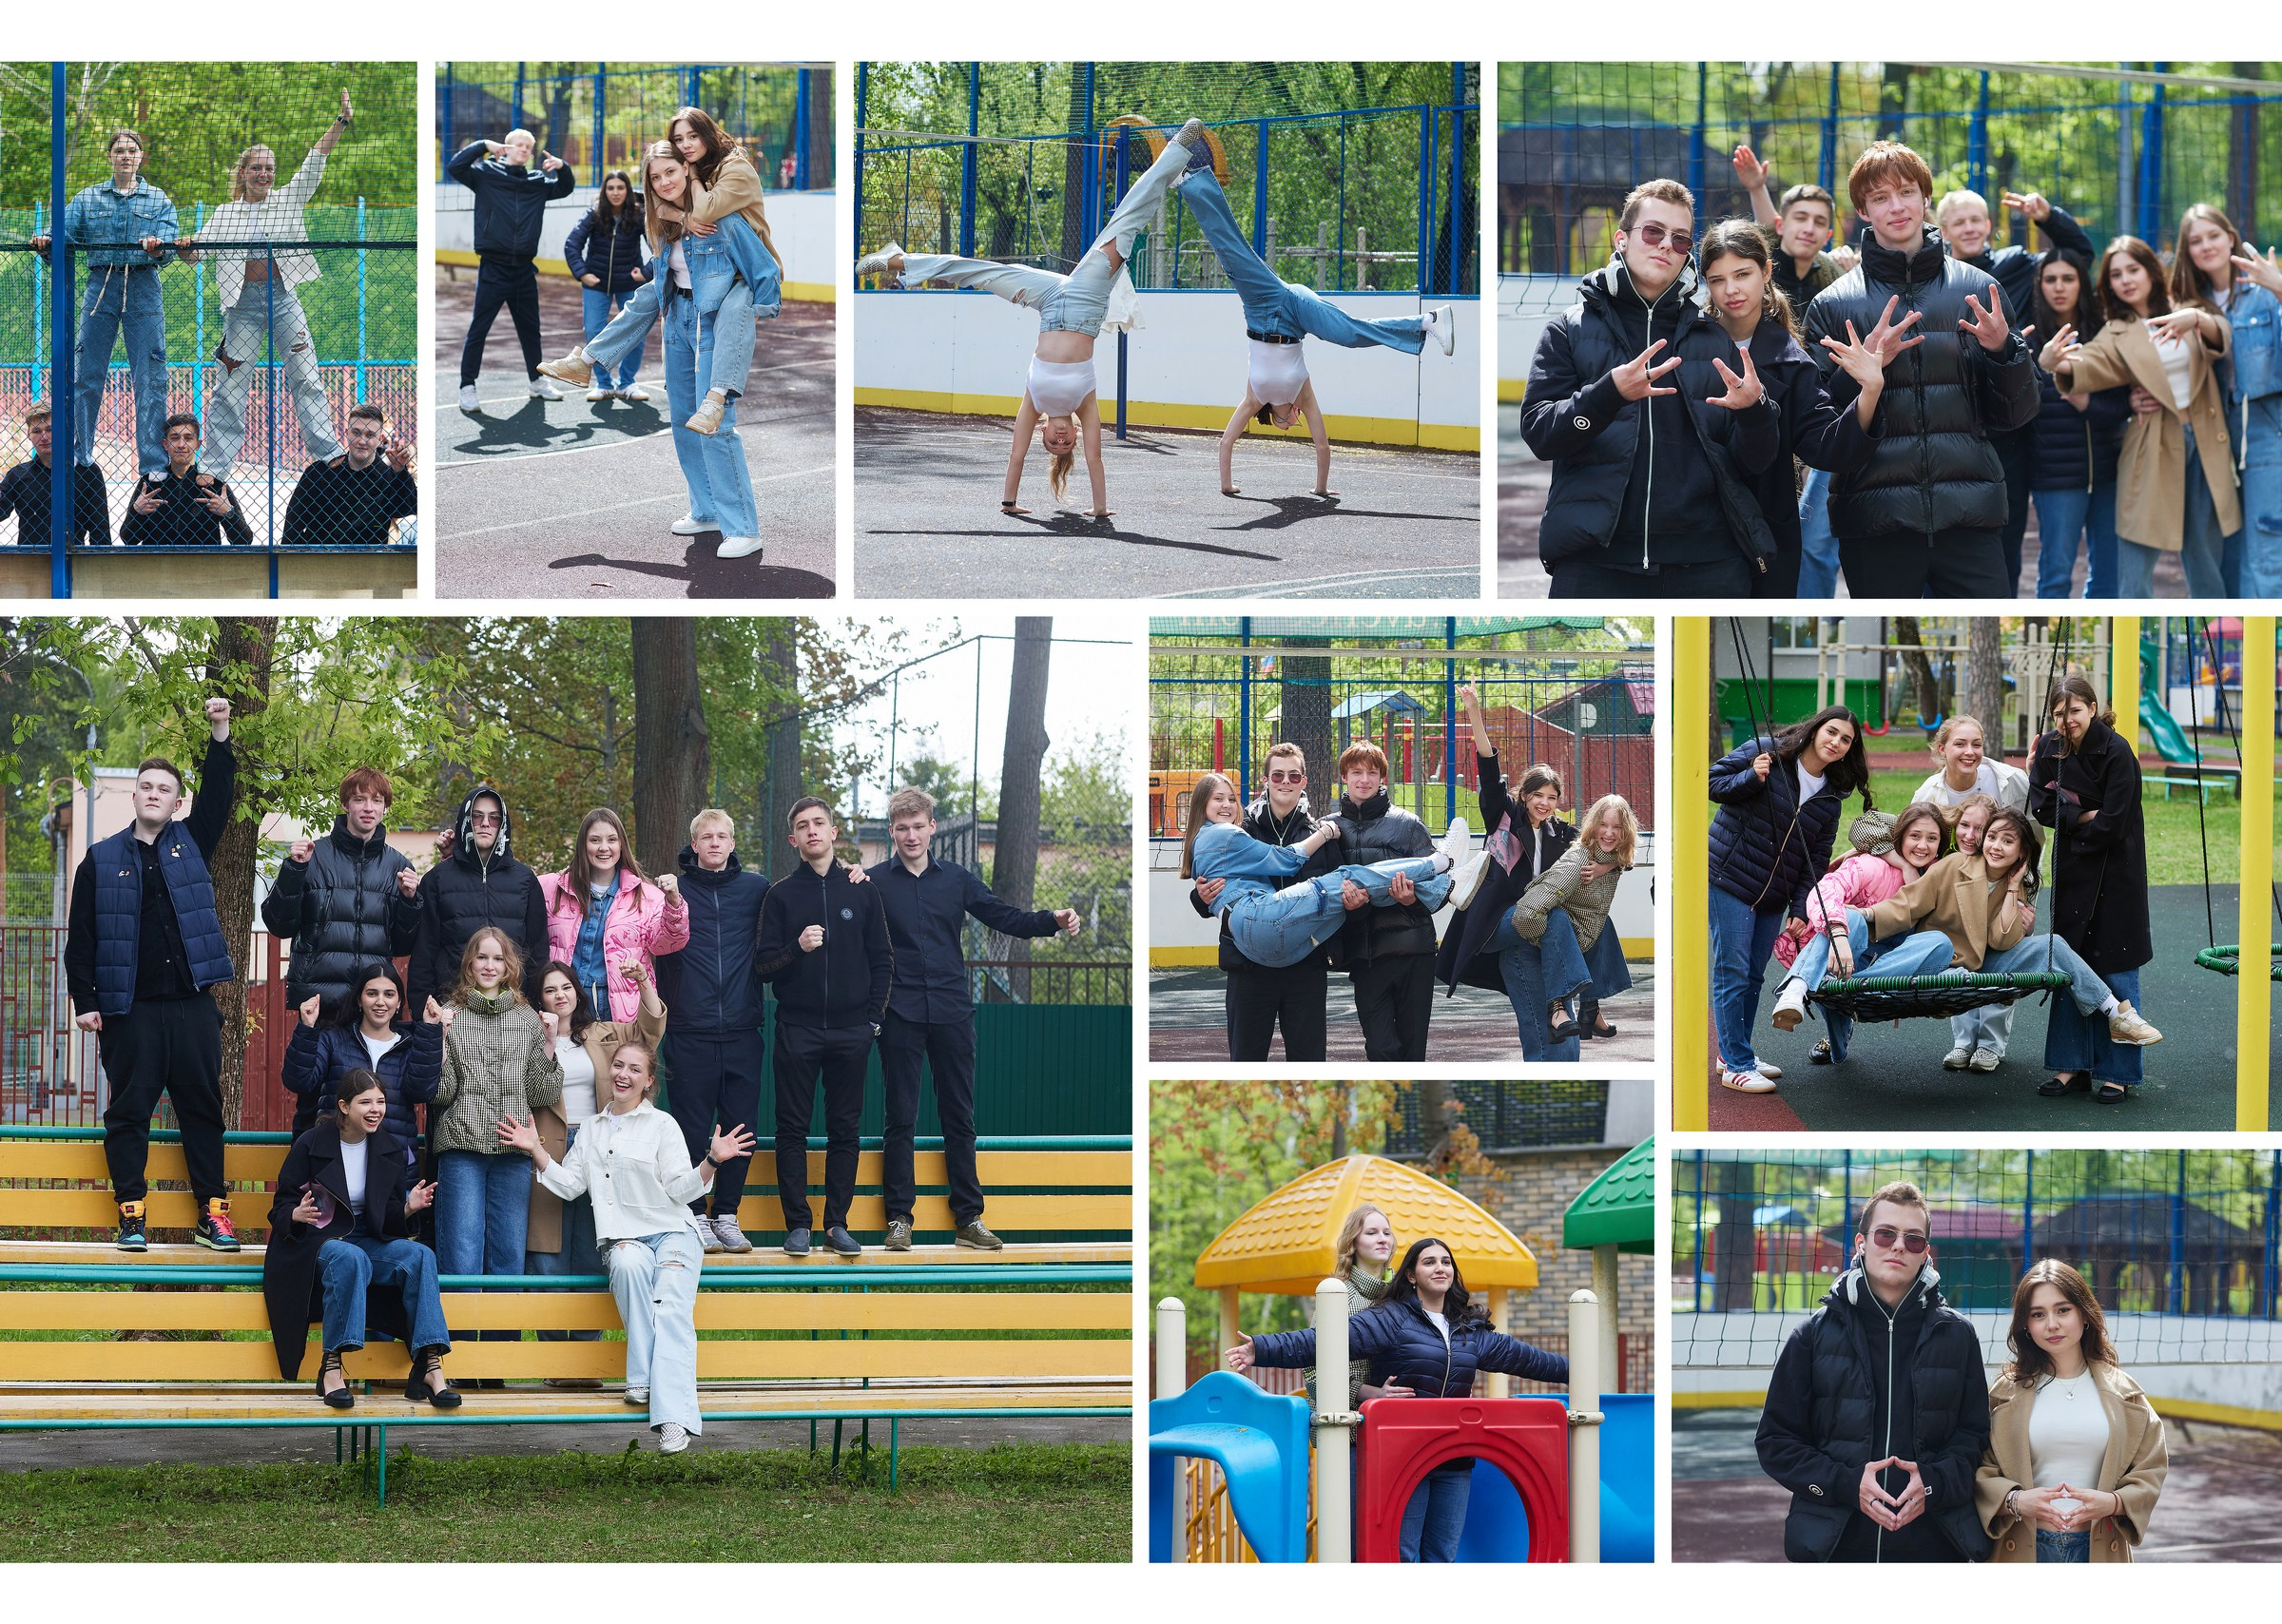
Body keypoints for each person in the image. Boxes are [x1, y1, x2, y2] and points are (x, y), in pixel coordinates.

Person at [853, 117, 1209, 520]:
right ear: (1073, 434)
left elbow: (1016, 454)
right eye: (1065, 443)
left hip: (1050, 301)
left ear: (1043, 433)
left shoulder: (1034, 400)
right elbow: (1095, 457)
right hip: (1087, 300)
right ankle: (1177, 150)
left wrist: (1008, 503)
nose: (1059, 439)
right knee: (1127, 220)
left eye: (1052, 443)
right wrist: (1100, 509)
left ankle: (898, 261)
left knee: (982, 272)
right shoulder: (1084, 403)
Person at [1227, 1237, 1568, 1562]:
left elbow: (1530, 1360)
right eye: (1429, 1262)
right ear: (1411, 1274)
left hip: (1454, 1461)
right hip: (1406, 1457)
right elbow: (1326, 1340)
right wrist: (1262, 1348)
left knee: (1442, 1557)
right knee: (1400, 1555)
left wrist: (1577, 1370)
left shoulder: (1470, 1331)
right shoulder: (1392, 1319)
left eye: (1446, 1262)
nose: (1440, 1268)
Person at [1521, 178, 1783, 596]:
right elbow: (1540, 434)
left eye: (1680, 240)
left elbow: (1752, 464)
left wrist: (1755, 414)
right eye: (1653, 232)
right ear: (1622, 239)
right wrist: (1608, 394)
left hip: (1707, 563)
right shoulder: (1568, 330)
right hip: (1595, 560)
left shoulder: (1713, 338)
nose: (1666, 245)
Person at [1801, 142, 2040, 596]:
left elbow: (2017, 415)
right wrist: (1863, 373)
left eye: (1906, 192)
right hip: (1875, 524)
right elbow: (1821, 439)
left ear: (1926, 197)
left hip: (1970, 517)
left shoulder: (1979, 289)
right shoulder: (1831, 305)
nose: (1897, 207)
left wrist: (2001, 353)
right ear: (1863, 211)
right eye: (1880, 198)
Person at [500, 1039, 754, 1455]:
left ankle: (669, 1416)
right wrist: (537, 1151)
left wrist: (711, 1161)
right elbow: (571, 1186)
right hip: (623, 1241)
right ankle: (641, 1379)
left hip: (673, 1233)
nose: (623, 1074)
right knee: (629, 1266)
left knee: (671, 1309)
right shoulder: (592, 1131)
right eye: (618, 1065)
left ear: (648, 1081)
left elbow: (678, 1188)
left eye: (635, 1070)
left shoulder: (662, 1125)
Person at [1770, 806, 2161, 1072]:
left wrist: (2010, 892)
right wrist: (1866, 916)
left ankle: (2115, 1013)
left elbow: (2001, 941)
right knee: (1927, 938)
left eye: (2007, 842)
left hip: (1978, 967)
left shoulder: (2016, 886)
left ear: (2021, 852)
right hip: (1933, 957)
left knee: (2052, 945)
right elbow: (1905, 907)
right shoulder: (1955, 865)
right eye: (1992, 837)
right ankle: (1836, 988)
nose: (1995, 846)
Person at [866, 786, 1079, 1251]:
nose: (910, 835)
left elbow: (1005, 917)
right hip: (898, 1011)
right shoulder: (873, 882)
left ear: (932, 828)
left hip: (951, 1010)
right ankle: (899, 1219)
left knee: (958, 1116)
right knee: (899, 1117)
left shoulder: (958, 880)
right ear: (892, 832)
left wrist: (1053, 919)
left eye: (918, 826)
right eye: (901, 828)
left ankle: (968, 1218)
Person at [543, 142, 778, 561]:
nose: (664, 181)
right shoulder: (662, 224)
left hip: (714, 321)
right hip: (677, 320)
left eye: (671, 171)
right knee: (682, 421)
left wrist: (743, 318)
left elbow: (765, 272)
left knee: (716, 426)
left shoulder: (720, 218)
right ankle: (706, 510)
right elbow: (661, 282)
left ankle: (743, 526)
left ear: (687, 171)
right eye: (655, 177)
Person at [62, 697, 240, 1251]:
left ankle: (213, 1215)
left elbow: (217, 797)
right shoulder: (99, 858)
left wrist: (219, 731)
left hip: (191, 1004)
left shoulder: (193, 842)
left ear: (176, 800)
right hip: (129, 1008)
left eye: (165, 789)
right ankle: (131, 1214)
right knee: (129, 1112)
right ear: (134, 796)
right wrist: (85, 999)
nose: (155, 794)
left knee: (203, 1111)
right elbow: (82, 939)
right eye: (147, 787)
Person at [1165, 163, 1453, 498]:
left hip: (1263, 306)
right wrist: (1321, 490)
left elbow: (1226, 441)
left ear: (1276, 416)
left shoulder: (1255, 397)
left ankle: (1187, 180)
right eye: (1294, 424)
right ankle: (1428, 320)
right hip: (1292, 312)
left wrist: (1226, 485)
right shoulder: (1302, 395)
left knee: (1229, 253)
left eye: (1285, 425)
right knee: (1350, 335)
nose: (1292, 424)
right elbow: (1323, 445)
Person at [1755, 1181, 1993, 1562]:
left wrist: (1932, 1484)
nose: (1899, 1245)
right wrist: (1847, 1485)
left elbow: (1974, 1439)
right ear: (1861, 1243)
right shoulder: (1812, 1337)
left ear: (1925, 1254)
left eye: (1913, 1239)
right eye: (1886, 1234)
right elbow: (1776, 1442)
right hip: (1834, 1547)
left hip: (1936, 1545)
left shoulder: (1958, 1336)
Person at [1694, 218, 1905, 597]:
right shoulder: (1686, 344)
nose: (1731, 290)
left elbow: (1826, 445)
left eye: (1742, 274)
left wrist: (1871, 388)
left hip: (1762, 535)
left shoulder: (1792, 361)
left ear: (1766, 272)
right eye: (1717, 279)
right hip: (1689, 531)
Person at [548, 110, 777, 439]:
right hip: (704, 280)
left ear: (706, 136)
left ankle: (718, 396)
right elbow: (662, 202)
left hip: (745, 272)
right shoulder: (688, 186)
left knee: (733, 314)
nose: (685, 145)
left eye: (692, 137)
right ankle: (587, 359)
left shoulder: (732, 169)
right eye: (678, 139)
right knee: (647, 295)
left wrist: (763, 307)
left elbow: (709, 214)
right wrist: (680, 214)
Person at [2039, 235, 2236, 597]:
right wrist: (2053, 362)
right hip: (2152, 443)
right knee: (2136, 558)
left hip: (2206, 443)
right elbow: (2087, 364)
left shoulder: (2188, 307)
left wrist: (2194, 318)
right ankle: (2132, 629)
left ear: (2151, 271)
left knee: (2204, 552)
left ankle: (2215, 620)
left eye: (2133, 270)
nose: (2126, 280)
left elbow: (2221, 334)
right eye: (2116, 275)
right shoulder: (2116, 331)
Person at [262, 1070, 458, 1411]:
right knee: (348, 1257)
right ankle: (333, 1367)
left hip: (368, 1241)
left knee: (420, 1256)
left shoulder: (388, 1148)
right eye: (365, 1102)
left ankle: (429, 1366)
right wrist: (295, 1215)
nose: (375, 1110)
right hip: (317, 1243)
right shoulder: (312, 1143)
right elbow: (280, 1207)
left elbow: (387, 1221)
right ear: (343, 1106)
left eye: (380, 1102)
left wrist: (408, 1208)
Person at [1936, 185, 2097, 592]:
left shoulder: (2017, 266)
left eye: (1976, 219)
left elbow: (2079, 254)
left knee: (2005, 535)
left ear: (1989, 225)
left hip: (2008, 425)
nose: (1969, 227)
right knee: (1946, 537)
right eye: (1959, 221)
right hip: (1952, 422)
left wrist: (2047, 215)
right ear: (1944, 230)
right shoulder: (1934, 278)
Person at [753, 797, 893, 1258]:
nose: (812, 831)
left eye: (819, 823)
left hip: (853, 1031)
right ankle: (798, 1225)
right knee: (791, 1129)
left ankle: (836, 1224)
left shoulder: (862, 888)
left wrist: (872, 1020)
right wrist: (797, 948)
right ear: (793, 840)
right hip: (798, 1029)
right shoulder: (781, 895)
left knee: (844, 1130)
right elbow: (763, 967)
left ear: (833, 832)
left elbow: (882, 958)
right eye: (802, 826)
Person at [192, 88, 356, 481]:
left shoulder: (288, 199)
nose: (264, 173)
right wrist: (180, 247)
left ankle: (328, 452)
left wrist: (342, 121)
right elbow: (197, 252)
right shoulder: (225, 213)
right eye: (256, 168)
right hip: (241, 307)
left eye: (269, 168)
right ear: (243, 173)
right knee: (230, 386)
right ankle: (214, 468)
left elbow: (315, 160)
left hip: (283, 300)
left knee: (305, 374)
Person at [1705, 706, 1867, 1094]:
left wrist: (1800, 908)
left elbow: (1815, 861)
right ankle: (1737, 1064)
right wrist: (1751, 776)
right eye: (1831, 732)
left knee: (1755, 975)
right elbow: (1712, 784)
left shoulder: (1830, 798)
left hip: (1774, 895)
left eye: (1845, 740)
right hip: (1729, 878)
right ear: (1814, 730)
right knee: (1733, 970)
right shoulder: (1768, 752)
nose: (1836, 743)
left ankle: (1734, 1052)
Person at [427, 927, 563, 1374]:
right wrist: (440, 1047)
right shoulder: (450, 1014)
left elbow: (542, 1093)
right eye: (482, 957)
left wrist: (549, 1043)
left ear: (510, 966)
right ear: (469, 963)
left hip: (511, 1149)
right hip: (462, 1147)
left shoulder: (527, 1018)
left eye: (498, 959)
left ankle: (498, 1363)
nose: (489, 965)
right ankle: (460, 1360)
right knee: (462, 1253)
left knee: (506, 1255)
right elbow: (440, 1095)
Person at [528, 957, 667, 1377]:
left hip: (601, 1145)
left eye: (566, 987)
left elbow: (649, 1031)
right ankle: (555, 1360)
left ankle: (585, 1361)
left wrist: (643, 982)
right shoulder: (528, 1037)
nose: (559, 996)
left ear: (578, 992)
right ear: (539, 999)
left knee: (592, 1246)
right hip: (549, 1145)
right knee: (547, 1251)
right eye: (550, 990)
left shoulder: (604, 1033)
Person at [1976, 1260, 2168, 1563]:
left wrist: (2114, 1502)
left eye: (2063, 1310)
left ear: (2084, 1314)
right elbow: (1979, 1468)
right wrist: (2016, 1500)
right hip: (2022, 1550)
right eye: (2038, 1314)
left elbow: (2151, 1467)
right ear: (2026, 1326)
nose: (2052, 1324)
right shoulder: (2003, 1394)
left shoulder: (2126, 1393)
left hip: (2100, 1550)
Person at [1179, 772, 1468, 974]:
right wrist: (1326, 833)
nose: (1228, 805)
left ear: (1303, 782)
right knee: (1347, 877)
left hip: (1268, 949)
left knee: (1343, 899)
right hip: (1255, 925)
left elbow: (1219, 883)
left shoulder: (1200, 844)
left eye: (1231, 798)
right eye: (1218, 799)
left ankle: (1446, 887)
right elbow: (1286, 859)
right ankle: (1441, 863)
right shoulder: (1227, 833)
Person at [1731, 146, 1857, 595]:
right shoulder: (1762, 270)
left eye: (1820, 221)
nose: (1809, 228)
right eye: (1800, 218)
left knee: (1815, 540)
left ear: (1830, 232)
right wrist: (1757, 188)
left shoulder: (1833, 275)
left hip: (1815, 418)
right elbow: (1766, 233)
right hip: (1760, 418)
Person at [1434, 690, 1583, 1059]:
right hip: (1496, 924)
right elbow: (1487, 763)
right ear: (1524, 794)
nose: (1544, 803)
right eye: (1538, 795)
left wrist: (1608, 863)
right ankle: (1573, 1001)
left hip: (1529, 939)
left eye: (1552, 796)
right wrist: (1473, 711)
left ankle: (1562, 1009)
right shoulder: (1503, 817)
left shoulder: (1559, 835)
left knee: (1557, 1040)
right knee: (1556, 916)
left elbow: (1601, 842)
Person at [2028, 672, 2153, 1104]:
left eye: (2075, 711)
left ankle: (2118, 1072)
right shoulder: (2048, 747)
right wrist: (2083, 816)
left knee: (2117, 964)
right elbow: (2042, 807)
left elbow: (2115, 821)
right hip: (2074, 871)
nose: (2066, 721)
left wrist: (2075, 815)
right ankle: (2071, 1066)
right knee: (2071, 963)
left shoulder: (2118, 752)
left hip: (2118, 872)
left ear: (2093, 708)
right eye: (2059, 713)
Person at [29, 127, 181, 477]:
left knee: (150, 377)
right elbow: (63, 230)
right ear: (110, 156)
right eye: (120, 150)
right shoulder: (88, 198)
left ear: (140, 157)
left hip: (143, 287)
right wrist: (46, 239)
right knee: (86, 375)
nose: (126, 156)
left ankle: (154, 468)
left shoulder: (158, 199)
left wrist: (160, 245)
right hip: (101, 285)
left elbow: (172, 242)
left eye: (132, 150)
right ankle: (79, 458)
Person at [652, 809, 769, 1253]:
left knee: (741, 1129)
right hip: (689, 1029)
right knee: (689, 1129)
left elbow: (803, 901)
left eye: (722, 836)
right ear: (694, 844)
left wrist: (855, 875)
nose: (715, 843)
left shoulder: (756, 889)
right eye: (707, 837)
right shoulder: (673, 892)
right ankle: (695, 1214)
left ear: (733, 843)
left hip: (743, 1028)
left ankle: (726, 1215)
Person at [1189, 744, 1341, 1062]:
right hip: (1248, 966)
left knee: (1309, 1062)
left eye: (1293, 775)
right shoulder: (1238, 830)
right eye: (1278, 774)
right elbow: (1209, 886)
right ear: (1266, 780)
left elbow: (1337, 892)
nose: (1286, 781)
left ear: (1304, 781)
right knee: (1246, 1060)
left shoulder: (1322, 833)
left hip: (1305, 964)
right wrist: (1200, 897)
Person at [1763, 804, 1944, 1067]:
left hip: (1891, 969)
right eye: (1914, 836)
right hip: (1847, 955)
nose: (1922, 846)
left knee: (1940, 943)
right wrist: (1838, 934)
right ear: (1900, 837)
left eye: (1932, 838)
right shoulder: (1871, 866)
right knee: (1853, 919)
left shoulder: (1940, 876)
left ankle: (1850, 988)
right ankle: (1798, 988)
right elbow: (1824, 893)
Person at [2171, 204, 2282, 595]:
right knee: (2220, 547)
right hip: (2211, 441)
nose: (2206, 246)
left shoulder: (2265, 291)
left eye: (2213, 235)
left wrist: (2280, 287)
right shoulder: (2184, 303)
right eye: (2195, 241)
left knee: (2267, 549)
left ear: (2230, 236)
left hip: (2266, 437)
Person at [261, 764, 421, 1015]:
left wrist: (410, 902)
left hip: (373, 1007)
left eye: (376, 801)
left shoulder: (399, 867)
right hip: (318, 1003)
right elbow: (279, 926)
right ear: (345, 804)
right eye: (360, 799)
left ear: (384, 808)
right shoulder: (312, 857)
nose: (369, 808)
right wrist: (293, 871)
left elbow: (402, 946)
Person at [1327, 743, 1450, 1063]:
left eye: (1372, 773)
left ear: (1382, 778)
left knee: (1411, 1053)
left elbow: (1436, 894)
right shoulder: (1329, 829)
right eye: (1356, 772)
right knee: (1381, 1049)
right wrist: (1351, 906)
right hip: (1366, 957)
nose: (1364, 780)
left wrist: (1410, 901)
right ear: (1344, 777)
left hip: (1413, 953)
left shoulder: (1408, 824)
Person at [447, 127, 576, 414]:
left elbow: (566, 188)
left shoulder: (538, 182)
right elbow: (455, 166)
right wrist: (481, 143)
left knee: (531, 331)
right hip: (493, 267)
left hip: (524, 270)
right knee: (479, 329)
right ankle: (467, 386)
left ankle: (537, 381)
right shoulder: (485, 174)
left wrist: (563, 167)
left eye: (528, 147)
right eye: (518, 144)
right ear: (506, 147)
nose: (523, 149)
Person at [2024, 251, 2128, 599]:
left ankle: (2109, 641)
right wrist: (2043, 368)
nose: (2059, 287)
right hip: (2056, 477)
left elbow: (2121, 404)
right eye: (2050, 279)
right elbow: (2019, 403)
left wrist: (2087, 404)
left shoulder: (2104, 332)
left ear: (2081, 283)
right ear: (2040, 285)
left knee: (2109, 577)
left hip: (2108, 471)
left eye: (2068, 279)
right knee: (2055, 574)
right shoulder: (2028, 334)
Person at [1499, 793, 1638, 1043]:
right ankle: (1558, 1005)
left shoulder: (1609, 858)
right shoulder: (1580, 864)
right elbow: (1527, 914)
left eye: (1617, 827)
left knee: (1602, 923)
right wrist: (1555, 944)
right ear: (1593, 825)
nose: (1609, 833)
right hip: (1544, 931)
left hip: (1580, 927)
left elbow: (1623, 860)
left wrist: (1609, 865)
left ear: (1626, 831)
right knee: (1559, 921)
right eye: (1603, 825)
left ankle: (1590, 1008)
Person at [407, 783, 549, 1015]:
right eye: (477, 816)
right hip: (452, 1009)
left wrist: (533, 1008)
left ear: (502, 824)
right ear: (465, 820)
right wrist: (423, 1010)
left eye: (494, 818)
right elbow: (424, 952)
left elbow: (538, 950)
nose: (485, 823)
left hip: (513, 1010)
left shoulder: (525, 879)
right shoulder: (437, 879)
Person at [538, 806, 689, 1021]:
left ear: (621, 845)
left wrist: (674, 903)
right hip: (565, 1004)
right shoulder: (552, 888)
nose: (604, 848)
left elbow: (667, 943)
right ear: (583, 845)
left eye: (611, 840)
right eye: (595, 840)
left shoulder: (647, 896)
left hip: (621, 1008)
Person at [280, 958, 442, 1154]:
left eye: (389, 994)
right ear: (359, 999)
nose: (380, 1002)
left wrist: (430, 1031)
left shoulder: (410, 1045)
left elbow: (421, 1092)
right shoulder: (333, 1040)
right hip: (336, 1157)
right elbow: (298, 1081)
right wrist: (306, 1029)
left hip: (392, 1162)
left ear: (399, 1002)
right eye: (372, 993)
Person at [559, 167, 652, 401]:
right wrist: (582, 274)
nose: (616, 192)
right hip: (596, 283)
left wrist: (645, 272)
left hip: (628, 282)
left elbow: (659, 248)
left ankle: (627, 383)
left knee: (635, 332)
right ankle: (603, 383)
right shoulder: (593, 213)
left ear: (627, 191)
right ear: (604, 191)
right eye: (610, 188)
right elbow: (572, 245)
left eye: (620, 187)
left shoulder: (638, 214)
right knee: (593, 330)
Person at [1939, 794, 2017, 1070]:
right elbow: (1888, 832)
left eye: (1981, 830)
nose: (1971, 836)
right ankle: (1964, 1041)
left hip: (1996, 928)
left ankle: (1990, 1044)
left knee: (1999, 973)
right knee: (1961, 967)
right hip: (1959, 938)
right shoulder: (1942, 851)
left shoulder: (1999, 861)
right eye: (1965, 826)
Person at [276, 403, 418, 547]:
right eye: (356, 432)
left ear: (380, 438)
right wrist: (292, 559)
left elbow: (406, 509)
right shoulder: (318, 473)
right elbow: (294, 521)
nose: (362, 441)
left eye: (370, 435)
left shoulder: (388, 476)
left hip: (368, 560)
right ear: (346, 433)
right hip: (318, 558)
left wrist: (400, 470)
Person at [120, 416, 255, 547]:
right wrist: (137, 512)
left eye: (188, 438)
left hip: (203, 565)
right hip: (158, 565)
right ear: (165, 444)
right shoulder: (150, 482)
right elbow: (128, 539)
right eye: (175, 438)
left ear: (198, 444)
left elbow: (244, 540)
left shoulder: (214, 483)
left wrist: (228, 513)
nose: (181, 444)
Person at [1, 401, 110, 545]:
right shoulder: (18, 475)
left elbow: (100, 530)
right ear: (28, 434)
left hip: (72, 558)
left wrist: (96, 565)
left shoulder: (87, 472)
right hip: (29, 559)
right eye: (37, 431)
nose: (44, 437)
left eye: (50, 429)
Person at [1911, 716, 2030, 814]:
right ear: (1942, 749)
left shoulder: (2011, 779)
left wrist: (2035, 772)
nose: (1969, 752)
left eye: (1976, 745)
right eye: (1960, 744)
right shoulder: (1926, 794)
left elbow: (2033, 833)